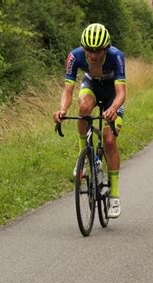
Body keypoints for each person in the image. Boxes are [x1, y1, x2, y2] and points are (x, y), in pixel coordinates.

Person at [52, 23, 126, 218]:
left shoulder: (116, 56)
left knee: (109, 140)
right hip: (91, 86)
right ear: (83, 47)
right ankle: (82, 158)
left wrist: (112, 109)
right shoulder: (74, 56)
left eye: (98, 50)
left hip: (112, 94)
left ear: (106, 48)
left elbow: (121, 93)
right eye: (89, 50)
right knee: (83, 107)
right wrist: (62, 109)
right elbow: (68, 90)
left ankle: (115, 196)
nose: (93, 55)